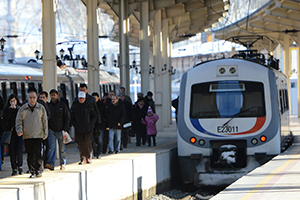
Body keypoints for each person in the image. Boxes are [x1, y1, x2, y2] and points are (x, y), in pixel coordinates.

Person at [15, 89, 48, 178]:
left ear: (37, 98)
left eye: (34, 97)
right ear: (27, 98)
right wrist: (19, 130)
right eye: (30, 98)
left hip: (38, 135)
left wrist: (45, 133)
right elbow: (18, 121)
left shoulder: (41, 108)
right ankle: (32, 171)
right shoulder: (22, 109)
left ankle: (39, 171)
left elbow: (45, 121)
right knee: (30, 154)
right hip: (27, 135)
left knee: (38, 153)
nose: (32, 99)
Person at [45, 89, 70, 171]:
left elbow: (67, 117)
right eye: (51, 95)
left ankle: (63, 163)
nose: (53, 97)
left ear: (57, 95)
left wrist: (65, 129)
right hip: (51, 130)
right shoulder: (48, 106)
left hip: (61, 130)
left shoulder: (62, 105)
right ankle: (51, 164)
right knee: (52, 148)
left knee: (62, 148)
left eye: (54, 95)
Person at [71, 92, 97, 164]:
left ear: (85, 98)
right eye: (80, 98)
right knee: (81, 144)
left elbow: (94, 116)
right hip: (79, 129)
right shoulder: (75, 107)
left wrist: (91, 124)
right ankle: (82, 158)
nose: (81, 100)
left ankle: (88, 157)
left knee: (87, 143)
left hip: (88, 129)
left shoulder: (89, 106)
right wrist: (75, 124)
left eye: (82, 98)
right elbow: (71, 117)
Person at [3, 94, 23, 175]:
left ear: (17, 101)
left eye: (14, 101)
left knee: (19, 150)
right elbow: (5, 119)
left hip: (19, 133)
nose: (13, 103)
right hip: (11, 133)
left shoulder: (20, 109)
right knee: (12, 151)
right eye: (11, 101)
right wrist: (11, 110)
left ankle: (20, 166)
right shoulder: (7, 110)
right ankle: (14, 168)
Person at [91, 92, 108, 158]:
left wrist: (107, 125)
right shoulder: (90, 105)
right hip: (92, 125)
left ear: (98, 98)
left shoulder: (102, 105)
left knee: (100, 140)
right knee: (92, 140)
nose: (94, 99)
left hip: (100, 125)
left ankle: (99, 153)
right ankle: (95, 151)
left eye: (95, 98)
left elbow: (106, 115)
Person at [39, 91, 50, 168]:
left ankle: (46, 161)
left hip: (47, 130)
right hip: (38, 131)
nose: (42, 99)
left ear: (46, 98)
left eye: (43, 97)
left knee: (48, 147)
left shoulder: (48, 106)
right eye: (40, 97)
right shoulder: (37, 107)